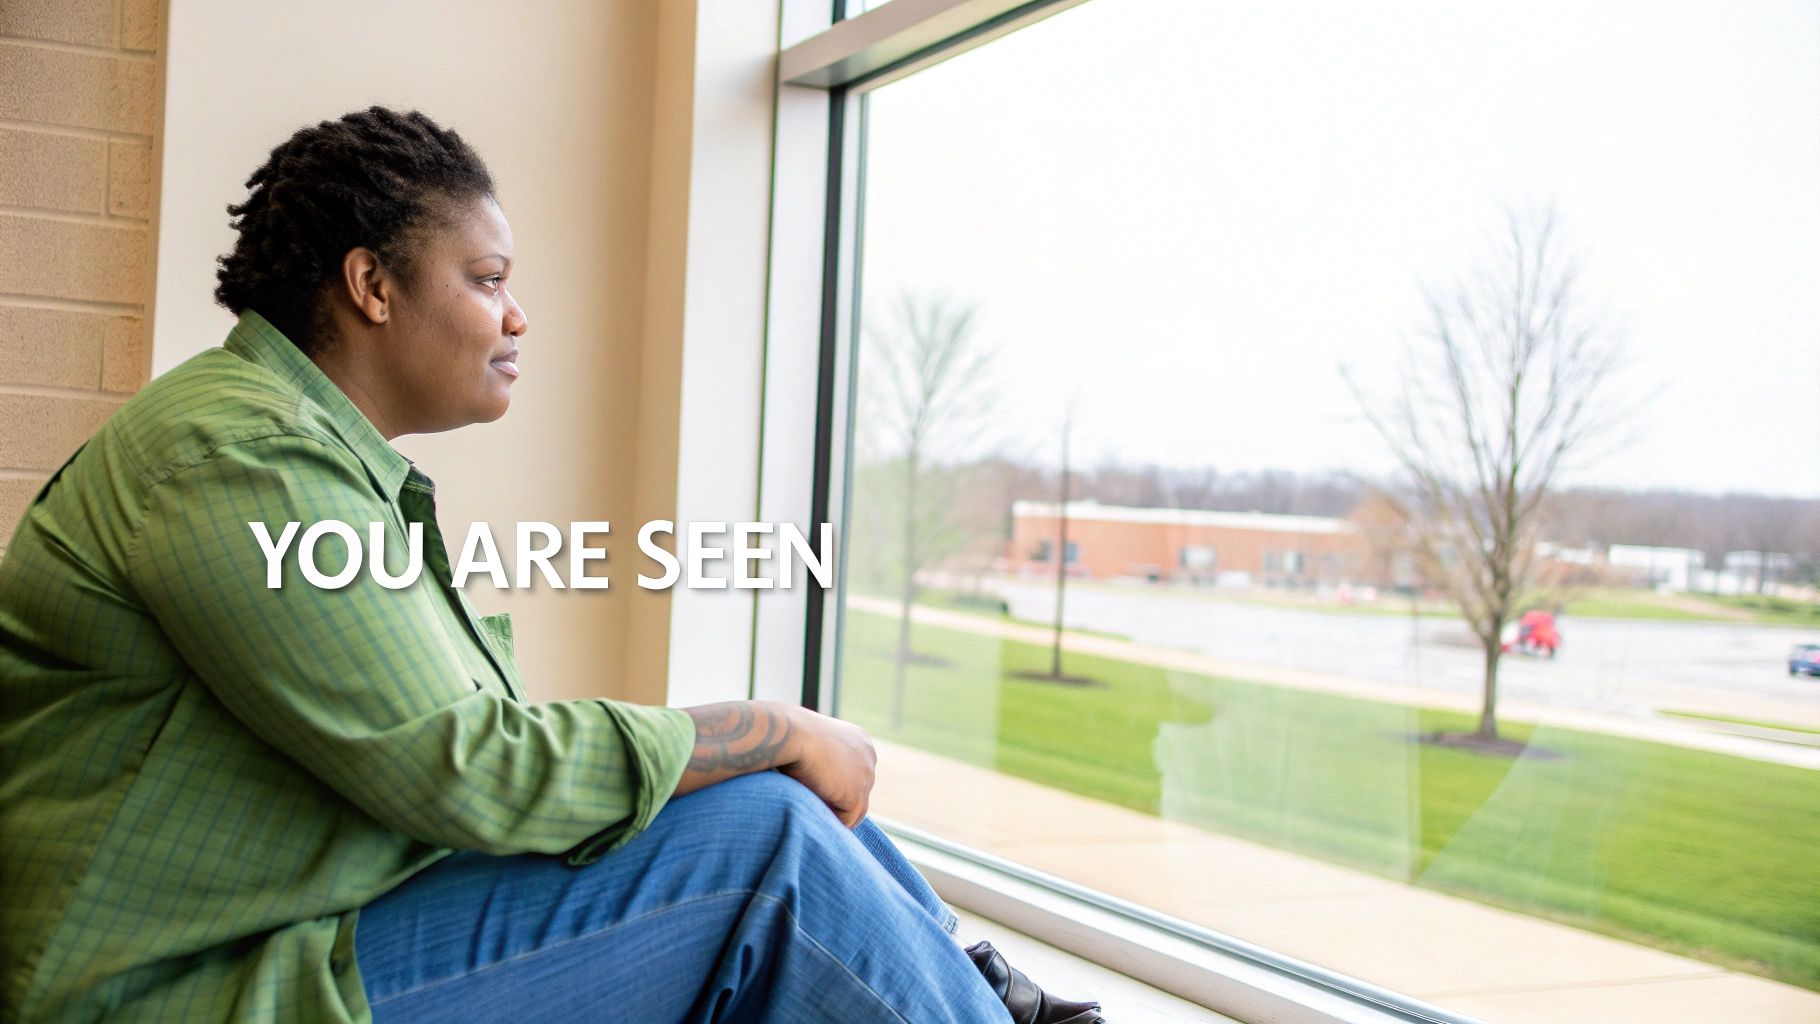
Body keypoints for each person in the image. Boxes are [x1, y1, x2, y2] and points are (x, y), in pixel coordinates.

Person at [0, 107, 1105, 1024]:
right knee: (761, 840)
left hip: (290, 926)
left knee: (760, 798)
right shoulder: (236, 456)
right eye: (485, 279)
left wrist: (758, 749)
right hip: (169, 992)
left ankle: (976, 992)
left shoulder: (289, 450)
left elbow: (461, 760)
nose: (518, 314)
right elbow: (468, 767)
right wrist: (771, 722)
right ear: (372, 287)